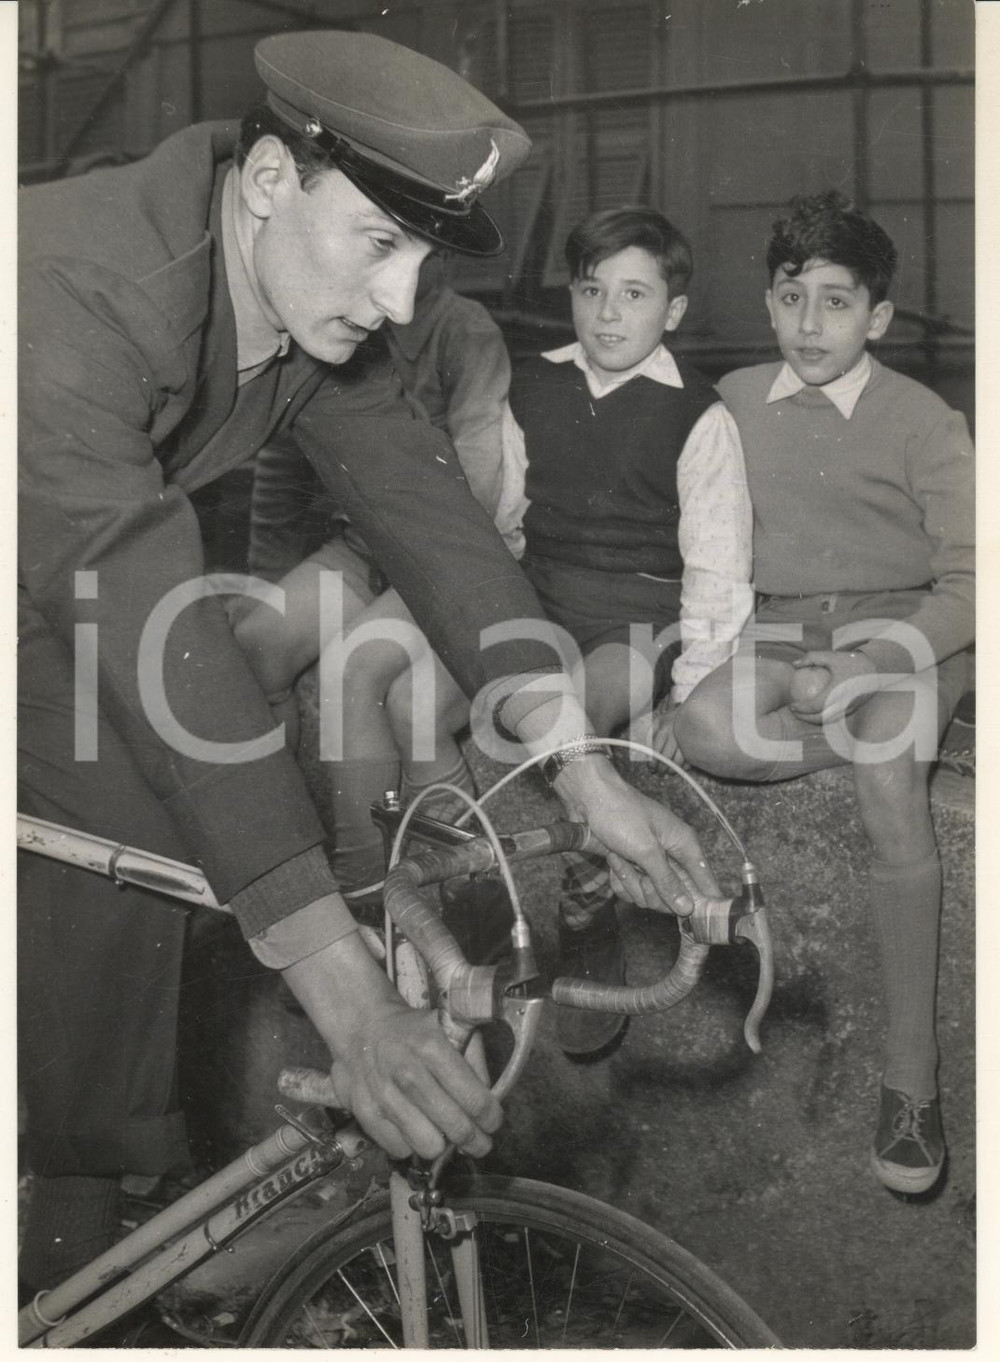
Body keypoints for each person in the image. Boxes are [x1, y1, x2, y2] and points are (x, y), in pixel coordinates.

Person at [17, 30, 722, 1297]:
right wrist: (354, 1014)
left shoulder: (296, 288)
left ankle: (74, 1229)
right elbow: (137, 611)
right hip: (55, 552)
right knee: (129, 779)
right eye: (380, 246)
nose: (400, 304)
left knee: (136, 812)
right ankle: (55, 1243)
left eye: (420, 260)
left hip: (43, 562)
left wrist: (586, 773)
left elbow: (436, 526)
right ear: (275, 178)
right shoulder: (73, 287)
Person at [673, 190, 974, 1194]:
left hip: (904, 631)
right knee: (707, 728)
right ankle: (860, 733)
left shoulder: (925, 420)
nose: (811, 325)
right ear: (768, 303)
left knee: (890, 775)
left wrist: (869, 673)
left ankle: (909, 1081)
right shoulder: (734, 401)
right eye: (792, 298)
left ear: (877, 319)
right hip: (785, 625)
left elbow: (976, 582)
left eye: (836, 304)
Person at [499, 207, 754, 1056]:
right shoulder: (532, 383)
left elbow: (717, 568)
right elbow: (505, 517)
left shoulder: (698, 415)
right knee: (473, 713)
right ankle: (475, 915)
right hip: (542, 597)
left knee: (583, 706)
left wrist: (689, 694)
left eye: (634, 294)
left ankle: (586, 911)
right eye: (591, 291)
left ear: (672, 312)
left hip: (639, 615)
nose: (608, 314)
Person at [235, 254, 521, 893]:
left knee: (355, 667)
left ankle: (366, 882)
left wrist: (410, 585)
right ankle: (278, 854)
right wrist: (267, 579)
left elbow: (481, 467)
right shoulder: (342, 312)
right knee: (256, 644)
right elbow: (282, 463)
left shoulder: (465, 331)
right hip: (365, 548)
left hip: (446, 545)